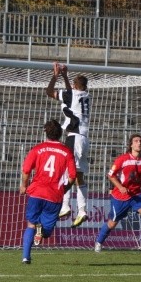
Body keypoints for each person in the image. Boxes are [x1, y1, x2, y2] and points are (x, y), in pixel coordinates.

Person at [19, 119, 77, 265]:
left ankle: (26, 257)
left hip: (36, 192)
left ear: (46, 132)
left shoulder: (37, 149)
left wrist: (24, 185)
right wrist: (64, 189)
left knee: (30, 224)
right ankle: (41, 232)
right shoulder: (66, 152)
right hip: (54, 196)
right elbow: (72, 176)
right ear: (60, 134)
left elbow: (26, 170)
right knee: (47, 232)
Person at [46, 61, 91, 228]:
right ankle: (82, 210)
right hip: (84, 138)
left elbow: (49, 92)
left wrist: (56, 75)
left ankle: (64, 206)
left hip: (74, 138)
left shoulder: (71, 95)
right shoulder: (86, 95)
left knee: (67, 171)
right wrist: (65, 76)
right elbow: (71, 92)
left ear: (74, 85)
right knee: (79, 177)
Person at [94, 134, 141, 253]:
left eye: (140, 141)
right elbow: (110, 175)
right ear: (131, 144)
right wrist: (120, 187)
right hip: (120, 196)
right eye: (136, 141)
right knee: (112, 224)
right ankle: (99, 241)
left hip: (136, 195)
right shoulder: (122, 159)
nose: (139, 143)